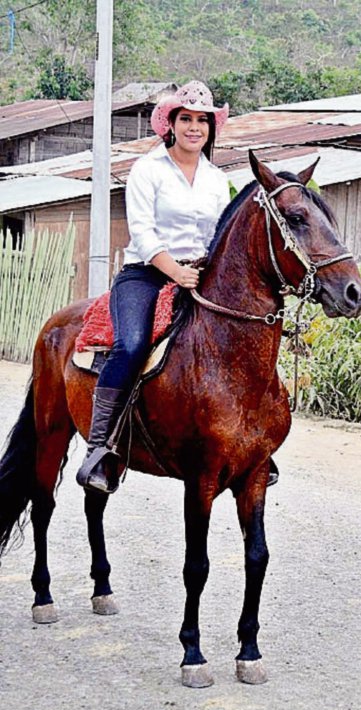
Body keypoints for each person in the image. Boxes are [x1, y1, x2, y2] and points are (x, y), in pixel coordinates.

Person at [76, 80, 231, 494]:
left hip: (201, 275)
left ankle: (249, 444)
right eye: (187, 119)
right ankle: (99, 448)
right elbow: (142, 233)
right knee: (131, 344)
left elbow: (219, 236)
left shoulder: (217, 179)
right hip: (145, 273)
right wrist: (174, 272)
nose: (194, 128)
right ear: (172, 125)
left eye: (202, 120)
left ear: (211, 128)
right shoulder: (148, 169)